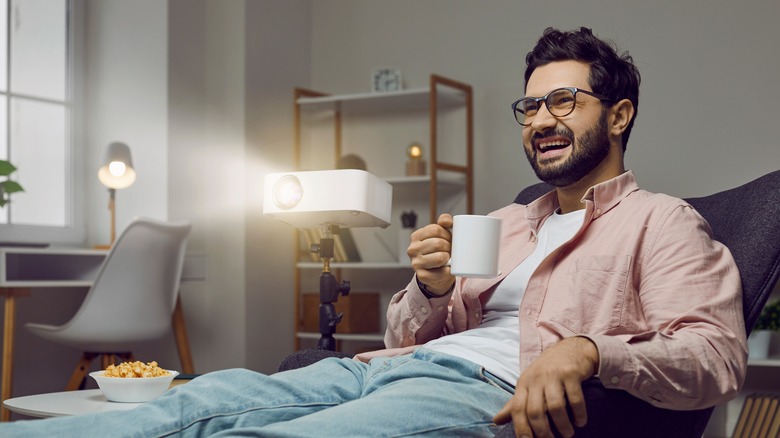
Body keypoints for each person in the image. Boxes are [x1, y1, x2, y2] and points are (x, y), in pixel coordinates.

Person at [1, 27, 746, 438]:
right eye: (528, 108)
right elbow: (404, 332)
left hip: (483, 394)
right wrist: (429, 287)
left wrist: (587, 351)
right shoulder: (508, 222)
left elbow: (713, 357)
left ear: (617, 115)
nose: (541, 121)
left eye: (563, 101)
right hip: (384, 369)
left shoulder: (663, 221)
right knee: (194, 405)